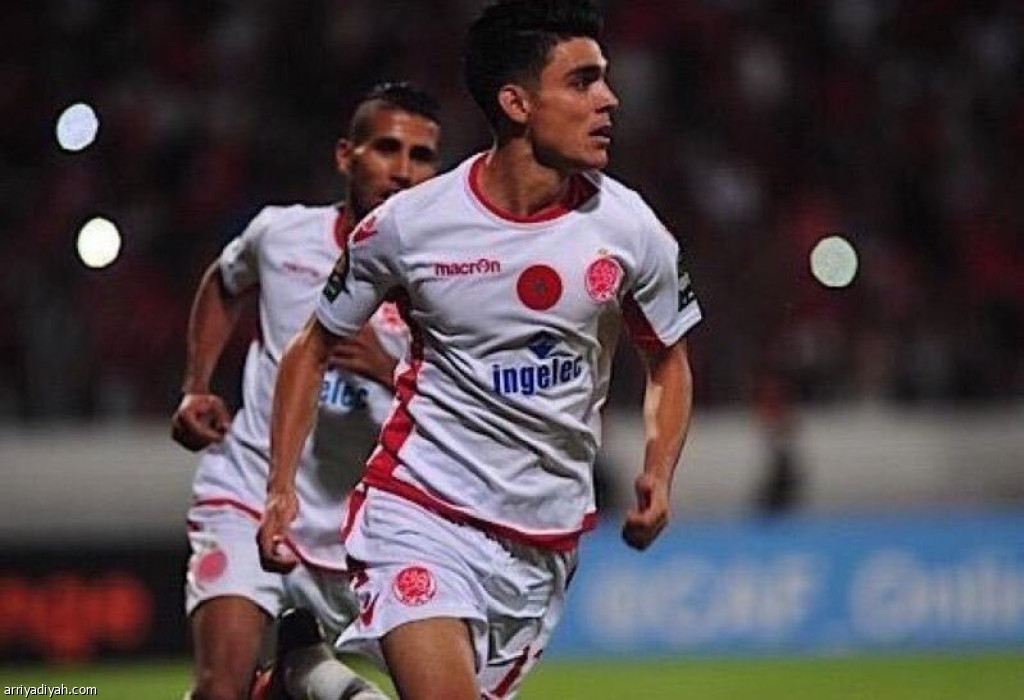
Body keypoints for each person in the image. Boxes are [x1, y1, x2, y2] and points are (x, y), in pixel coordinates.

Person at [259, 2, 701, 698]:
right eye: (582, 81)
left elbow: (668, 360)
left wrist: (660, 469)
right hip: (418, 509)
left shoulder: (630, 229)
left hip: (543, 538)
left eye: (604, 79)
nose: (609, 99)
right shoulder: (409, 227)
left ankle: (308, 681)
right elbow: (312, 347)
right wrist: (280, 487)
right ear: (516, 103)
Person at [171, 82, 441, 700]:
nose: (403, 171)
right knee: (220, 689)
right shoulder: (281, 235)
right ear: (346, 155)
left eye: (421, 156)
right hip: (250, 491)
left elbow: (468, 403)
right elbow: (223, 283)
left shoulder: (447, 277)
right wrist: (196, 386)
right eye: (387, 148)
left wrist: (388, 369)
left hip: (370, 527)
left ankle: (296, 674)